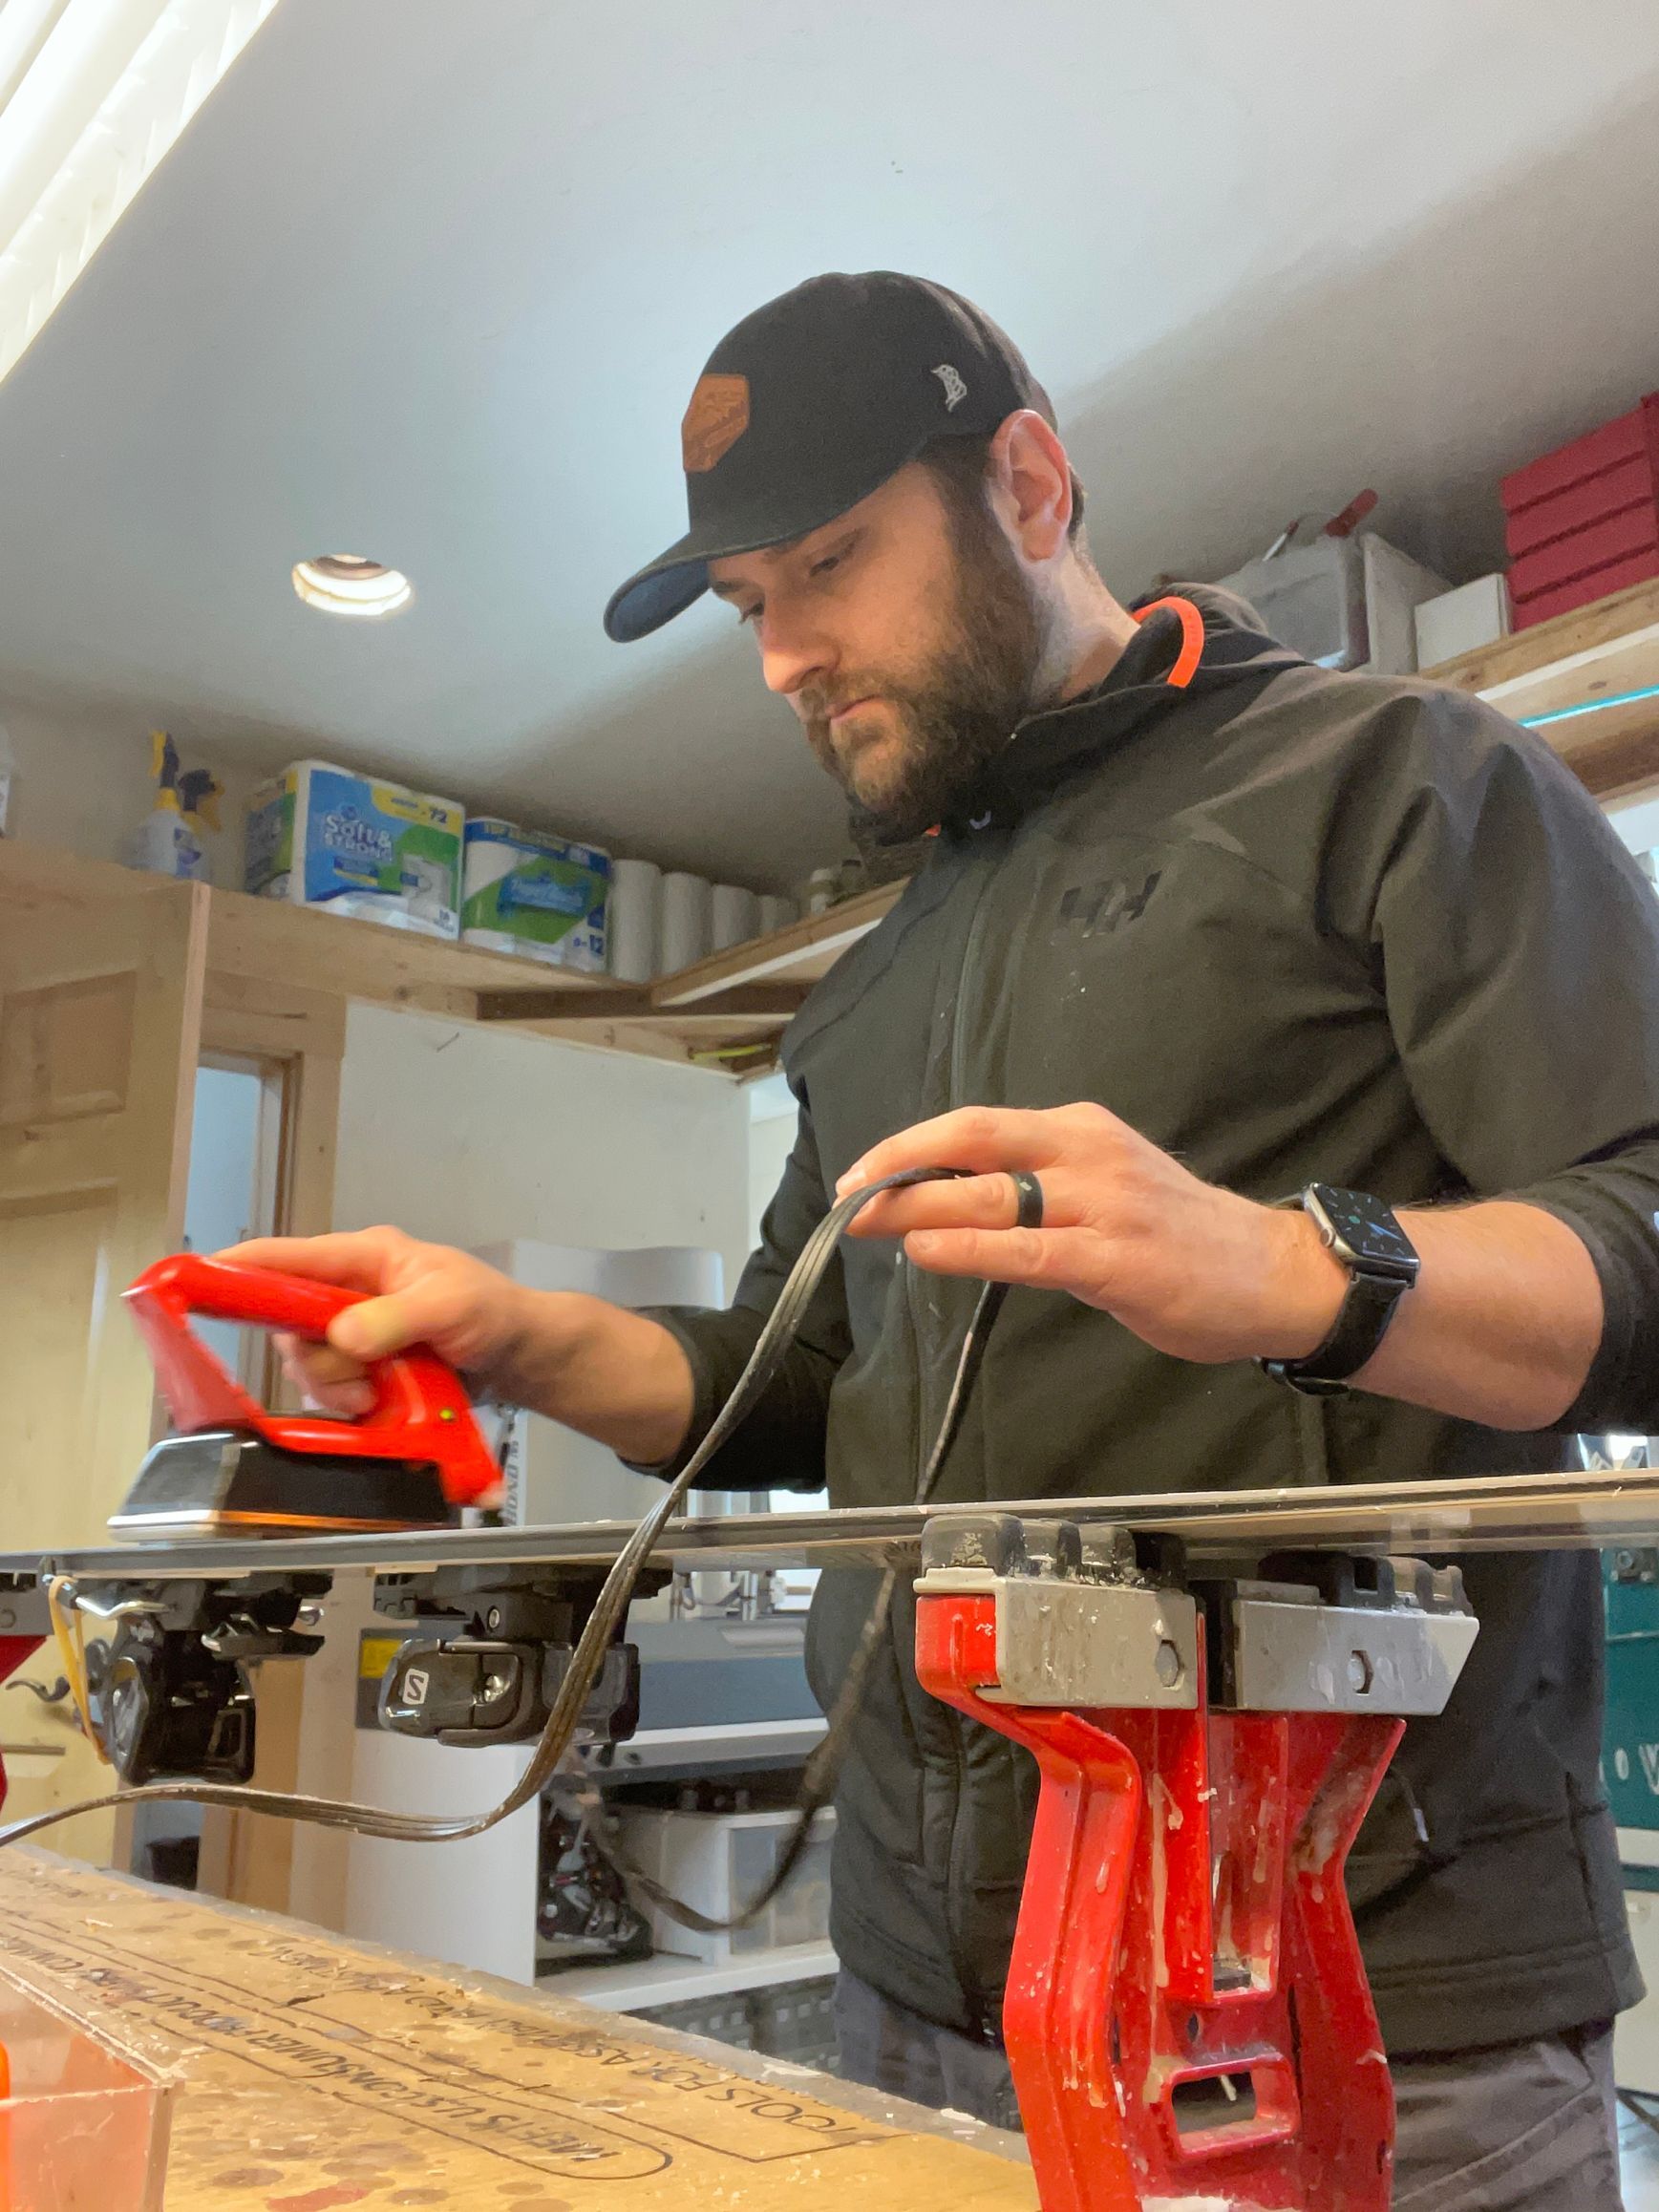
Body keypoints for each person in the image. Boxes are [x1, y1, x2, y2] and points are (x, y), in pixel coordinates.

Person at [237, 272, 1659, 2208]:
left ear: (1029, 482)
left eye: (828, 563)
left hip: (1354, 1995)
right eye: (751, 605)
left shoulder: (1398, 781)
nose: (783, 657)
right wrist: (512, 1331)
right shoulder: (875, 978)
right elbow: (800, 1382)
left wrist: (1288, 1272)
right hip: (928, 1979)